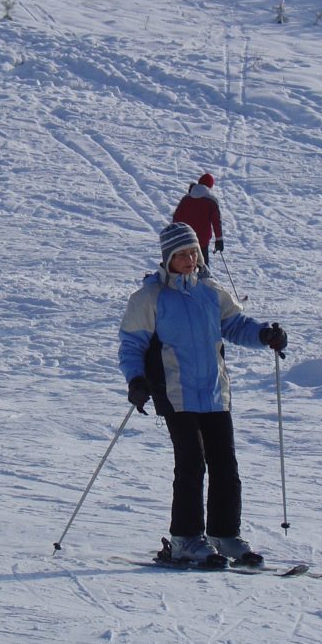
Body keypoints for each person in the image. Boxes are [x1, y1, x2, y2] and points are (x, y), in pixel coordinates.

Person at [118, 221, 288, 565]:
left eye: (193, 252)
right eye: (181, 254)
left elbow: (236, 325)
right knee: (192, 463)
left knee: (225, 465)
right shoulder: (150, 297)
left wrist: (265, 334)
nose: (189, 259)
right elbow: (132, 344)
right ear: (167, 258)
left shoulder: (210, 290)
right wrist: (135, 380)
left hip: (214, 392)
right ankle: (185, 538)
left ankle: (224, 534)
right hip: (175, 392)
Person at [172, 173, 223, 268]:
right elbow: (216, 222)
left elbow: (176, 217)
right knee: (202, 266)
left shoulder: (186, 198)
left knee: (185, 265)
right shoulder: (211, 201)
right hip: (202, 239)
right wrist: (219, 240)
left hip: (185, 236)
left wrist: (175, 234)